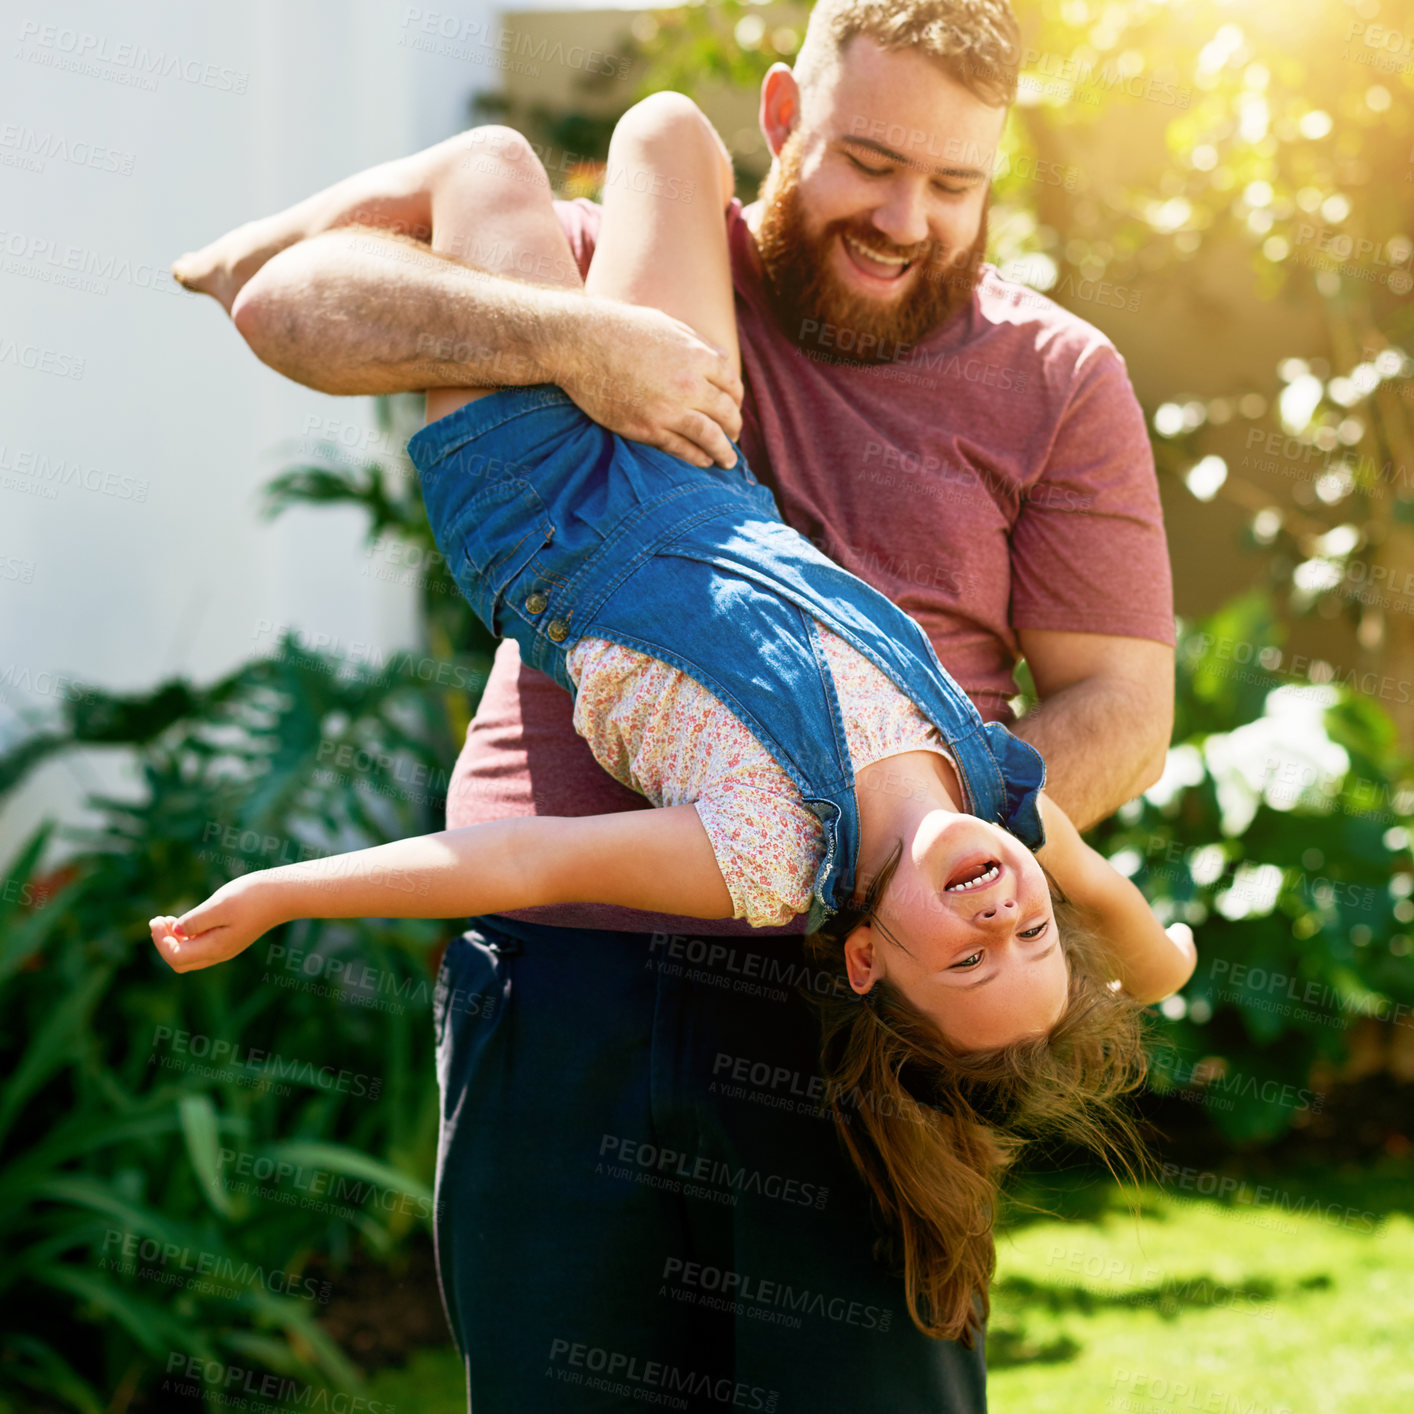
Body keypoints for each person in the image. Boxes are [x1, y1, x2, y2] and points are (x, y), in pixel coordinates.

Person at [169, 3, 1177, 1408]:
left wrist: (907, 867)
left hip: (850, 1017)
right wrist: (574, 336)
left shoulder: (1054, 376)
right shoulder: (631, 270)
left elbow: (1123, 701)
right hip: (563, 988)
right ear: (782, 119)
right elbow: (296, 307)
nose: (904, 217)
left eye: (954, 184)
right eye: (866, 163)